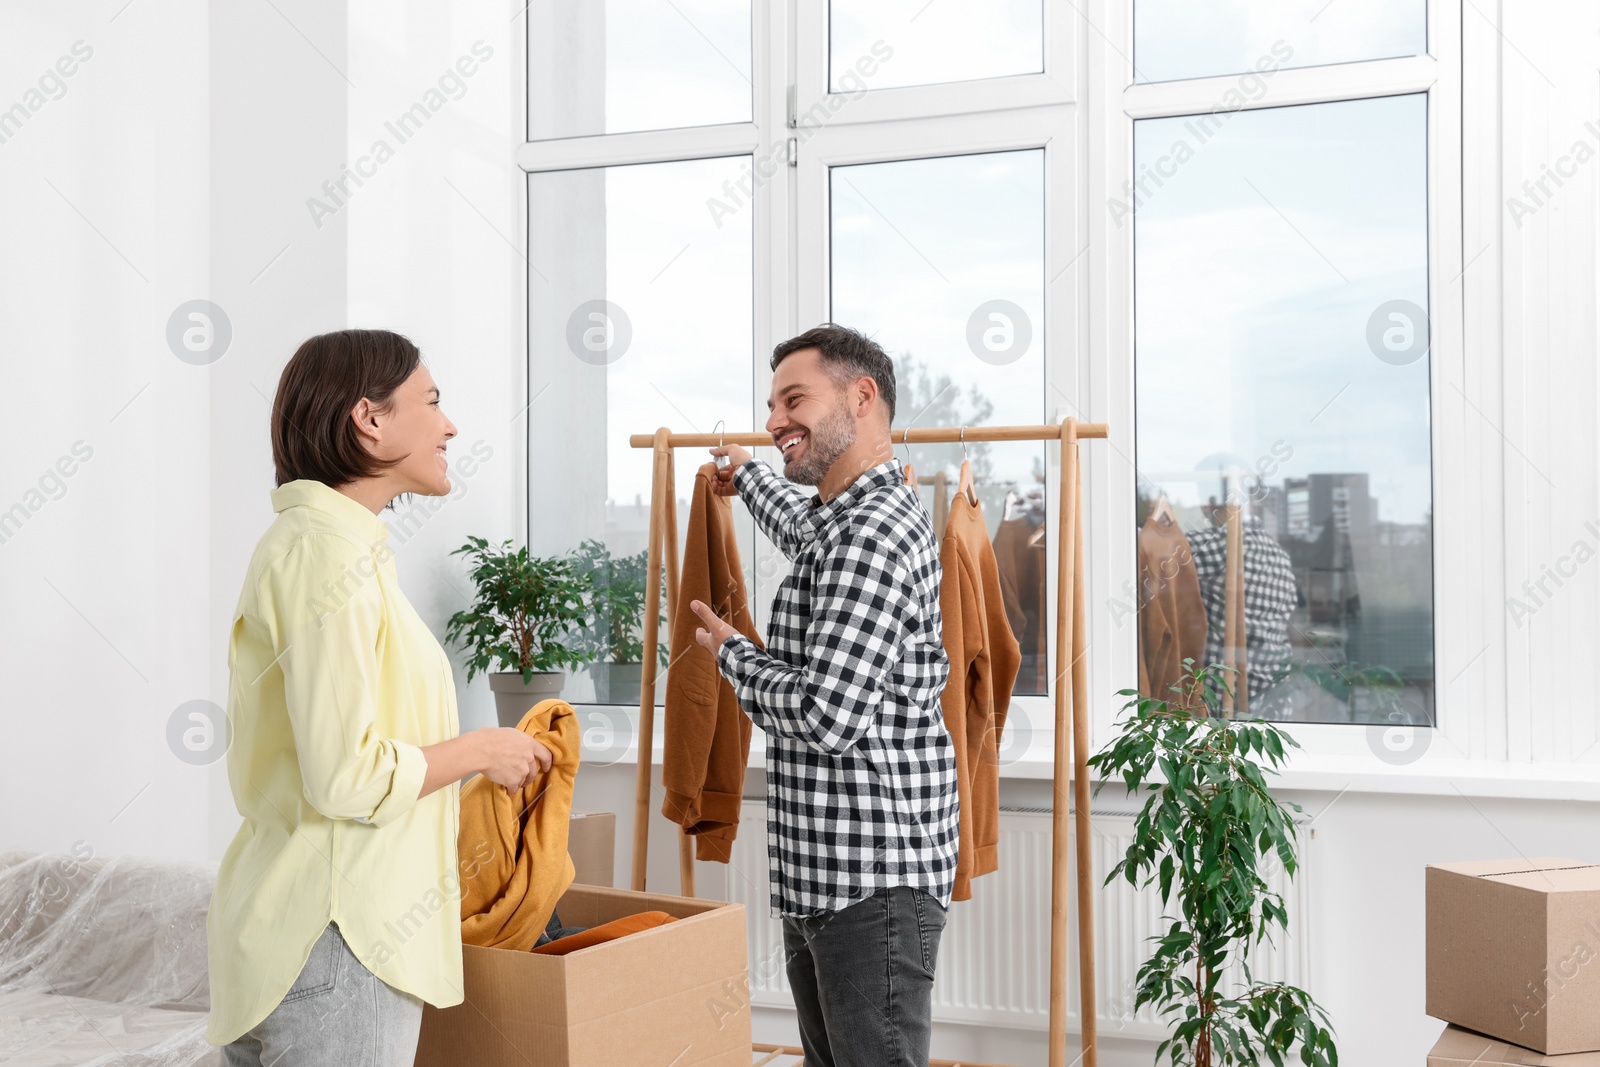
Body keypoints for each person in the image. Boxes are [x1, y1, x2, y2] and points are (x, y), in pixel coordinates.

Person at [207, 329, 552, 1066]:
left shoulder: (338, 547)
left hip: (313, 935)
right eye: (431, 400)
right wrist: (481, 750)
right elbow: (348, 776)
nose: (450, 424)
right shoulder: (325, 553)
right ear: (370, 418)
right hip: (337, 939)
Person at [688, 324, 959, 1067]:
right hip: (825, 876)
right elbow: (803, 524)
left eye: (793, 399)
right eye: (771, 404)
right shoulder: (840, 518)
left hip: (871, 880)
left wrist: (731, 653)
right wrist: (746, 475)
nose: (774, 420)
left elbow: (825, 716)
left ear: (862, 396)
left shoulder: (872, 531)